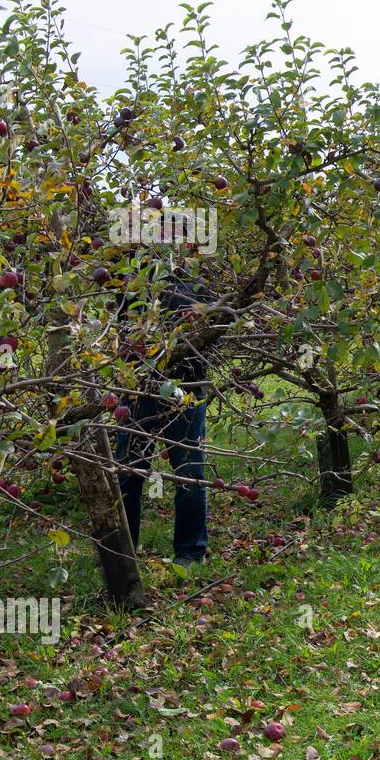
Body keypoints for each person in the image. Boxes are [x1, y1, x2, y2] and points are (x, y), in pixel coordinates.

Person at [114, 229, 212, 566]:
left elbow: (208, 334)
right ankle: (124, 552)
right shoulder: (130, 285)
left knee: (188, 472)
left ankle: (190, 552)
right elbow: (120, 333)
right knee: (128, 473)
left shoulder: (197, 285)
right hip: (138, 388)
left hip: (185, 389)